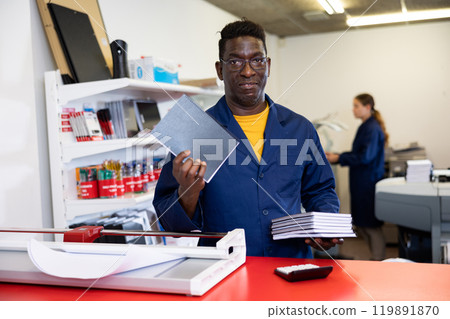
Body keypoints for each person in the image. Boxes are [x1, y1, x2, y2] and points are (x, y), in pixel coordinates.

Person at [153, 18, 342, 258]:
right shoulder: (196, 133)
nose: (247, 71)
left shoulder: (299, 129)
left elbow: (320, 190)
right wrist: (187, 191)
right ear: (219, 70)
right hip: (224, 271)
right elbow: (171, 225)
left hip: (290, 265)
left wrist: (324, 226)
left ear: (268, 66)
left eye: (256, 60)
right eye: (234, 61)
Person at [326, 93, 388, 260]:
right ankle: (375, 260)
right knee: (362, 225)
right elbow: (358, 153)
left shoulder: (372, 128)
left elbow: (365, 157)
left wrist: (339, 158)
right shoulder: (366, 126)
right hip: (362, 182)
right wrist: (338, 155)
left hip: (367, 183)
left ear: (367, 107)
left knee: (370, 226)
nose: (353, 109)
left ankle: (378, 263)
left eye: (356, 106)